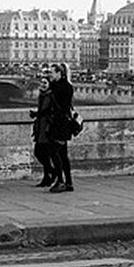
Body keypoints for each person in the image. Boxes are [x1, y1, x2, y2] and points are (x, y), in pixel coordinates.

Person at [47, 62, 74, 193]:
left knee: (54, 152)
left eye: (51, 73)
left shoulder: (59, 87)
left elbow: (58, 105)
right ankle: (68, 182)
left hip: (59, 124)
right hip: (64, 123)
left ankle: (60, 181)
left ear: (59, 73)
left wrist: (50, 85)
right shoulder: (67, 86)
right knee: (63, 154)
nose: (49, 75)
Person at [29, 76, 54, 187]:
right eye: (42, 82)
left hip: (46, 128)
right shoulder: (43, 95)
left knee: (40, 152)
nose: (42, 84)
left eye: (45, 82)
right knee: (42, 153)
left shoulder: (49, 96)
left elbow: (46, 111)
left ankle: (51, 173)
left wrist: (36, 114)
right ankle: (48, 176)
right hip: (41, 126)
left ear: (49, 84)